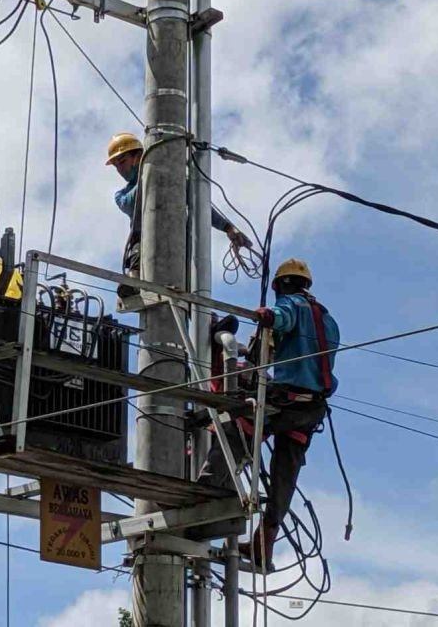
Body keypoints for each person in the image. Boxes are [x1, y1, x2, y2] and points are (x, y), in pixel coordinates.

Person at [198, 258, 340, 569]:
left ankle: (203, 495)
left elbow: (282, 317)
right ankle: (265, 543)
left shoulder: (292, 305)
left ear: (281, 286)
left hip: (288, 400)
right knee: (285, 473)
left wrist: (268, 316)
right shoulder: (328, 321)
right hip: (312, 409)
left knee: (238, 426)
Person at [105, 132, 252, 296]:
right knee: (140, 247)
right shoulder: (121, 195)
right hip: (146, 246)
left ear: (138, 156)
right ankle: (135, 281)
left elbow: (200, 206)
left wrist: (228, 228)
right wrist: (150, 167)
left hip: (177, 244)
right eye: (116, 165)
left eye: (122, 162)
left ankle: (208, 319)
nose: (120, 169)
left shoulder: (175, 182)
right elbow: (133, 203)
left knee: (187, 284)